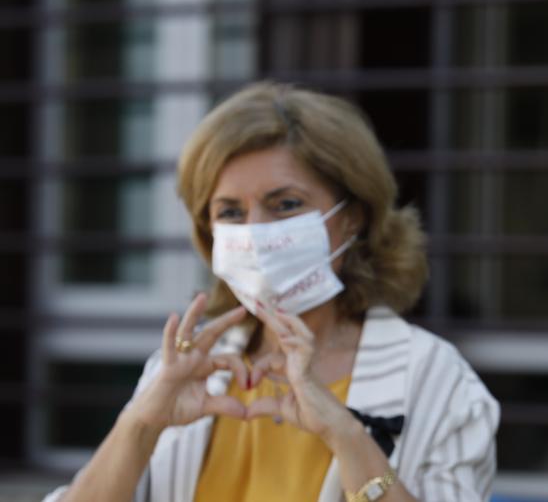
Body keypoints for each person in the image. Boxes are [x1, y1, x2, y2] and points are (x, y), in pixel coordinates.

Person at [46, 83, 499, 502]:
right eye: (230, 211)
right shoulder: (185, 373)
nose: (256, 232)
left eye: (286, 205)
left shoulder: (439, 382)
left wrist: (345, 434)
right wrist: (141, 425)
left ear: (353, 217)